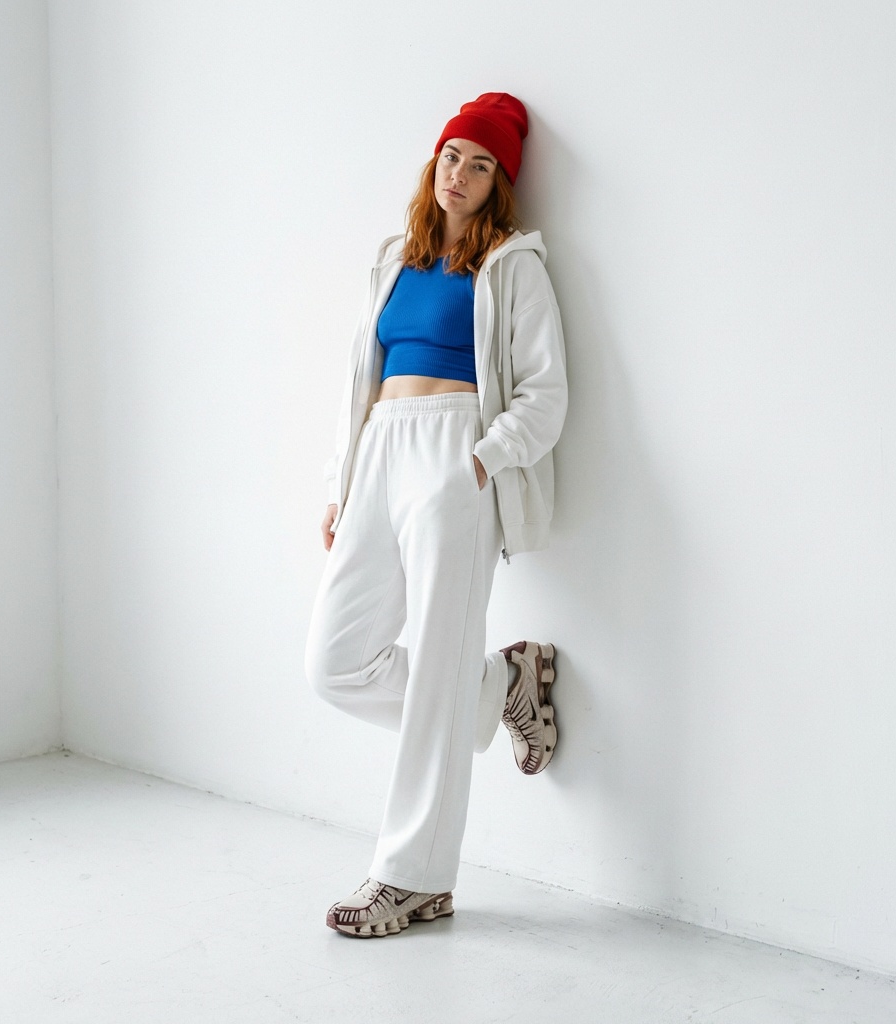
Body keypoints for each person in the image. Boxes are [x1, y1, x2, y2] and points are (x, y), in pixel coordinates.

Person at [304, 92, 567, 939]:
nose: (460, 174)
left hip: (456, 454)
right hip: (382, 449)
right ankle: (501, 685)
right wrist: (344, 482)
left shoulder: (514, 266)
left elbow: (546, 393)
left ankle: (411, 879)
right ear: (435, 163)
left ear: (499, 184)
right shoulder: (396, 259)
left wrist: (482, 460)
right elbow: (358, 382)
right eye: (453, 155)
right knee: (334, 662)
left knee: (436, 672)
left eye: (481, 165)